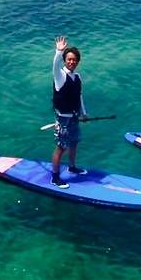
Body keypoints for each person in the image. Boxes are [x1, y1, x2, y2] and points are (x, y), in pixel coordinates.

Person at [50, 35, 89, 188]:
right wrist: (58, 52)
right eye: (69, 59)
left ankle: (72, 167)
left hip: (74, 117)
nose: (72, 62)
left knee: (74, 143)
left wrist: (84, 113)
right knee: (61, 147)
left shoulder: (77, 77)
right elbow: (55, 66)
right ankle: (55, 178)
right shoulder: (60, 76)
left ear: (78, 61)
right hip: (63, 120)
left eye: (74, 60)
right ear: (65, 60)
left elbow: (80, 96)